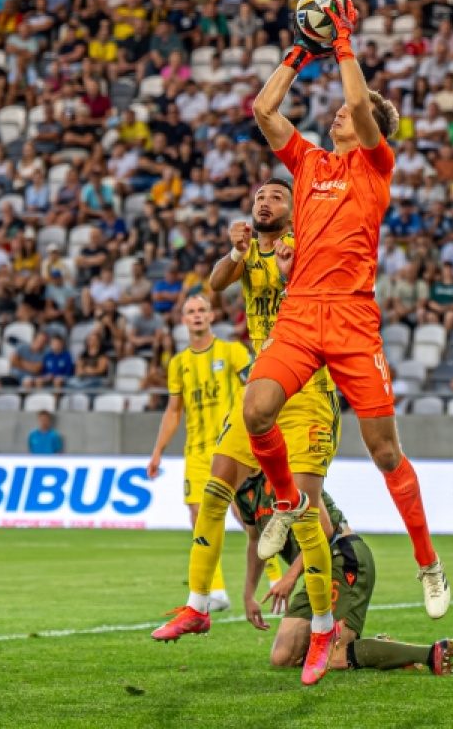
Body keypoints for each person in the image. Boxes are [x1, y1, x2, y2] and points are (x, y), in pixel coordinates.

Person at [248, 2, 450, 681]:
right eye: (334, 112)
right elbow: (264, 110)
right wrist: (301, 52)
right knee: (256, 412)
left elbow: (362, 113)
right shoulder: (306, 164)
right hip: (303, 312)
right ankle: (282, 503)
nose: (334, 115)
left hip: (355, 318)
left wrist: (344, 47)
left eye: (345, 113)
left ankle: (428, 560)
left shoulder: (375, 163)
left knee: (384, 448)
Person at [150, 180, 339, 686]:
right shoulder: (249, 246)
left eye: (276, 196)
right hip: (261, 392)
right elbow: (216, 283)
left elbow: (298, 278)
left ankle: (323, 627)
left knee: (302, 512)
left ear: (292, 210)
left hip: (308, 392)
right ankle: (197, 606)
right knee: (216, 490)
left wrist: (279, 255)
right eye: (259, 195)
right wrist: (236, 250)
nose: (264, 201)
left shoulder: (302, 243)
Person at [238, 471, 453, 677]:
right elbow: (255, 541)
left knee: (335, 657)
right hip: (317, 570)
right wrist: (248, 595)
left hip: (343, 556)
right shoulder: (243, 492)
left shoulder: (291, 471)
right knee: (282, 657)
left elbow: (324, 529)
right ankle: (374, 648)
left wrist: (290, 577)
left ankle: (430, 654)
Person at [146, 295, 252, 615]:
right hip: (195, 452)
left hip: (230, 447)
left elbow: (256, 388)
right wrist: (157, 451)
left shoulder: (233, 352)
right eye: (190, 311)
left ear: (211, 316)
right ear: (183, 320)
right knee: (199, 519)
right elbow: (173, 411)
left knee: (246, 516)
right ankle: (215, 591)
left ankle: (275, 578)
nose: (196, 316)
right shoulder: (178, 364)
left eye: (202, 310)